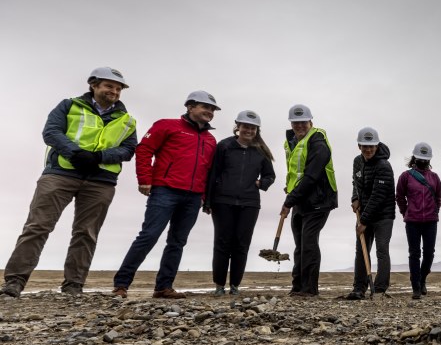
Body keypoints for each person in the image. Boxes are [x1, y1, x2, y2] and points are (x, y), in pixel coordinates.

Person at [1, 67, 137, 298]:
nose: (114, 91)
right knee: (38, 226)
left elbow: (128, 149)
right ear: (93, 85)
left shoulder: (127, 120)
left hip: (101, 181)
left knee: (86, 233)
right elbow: (51, 132)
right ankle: (14, 282)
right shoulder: (69, 105)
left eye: (118, 88)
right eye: (108, 86)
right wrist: (75, 153)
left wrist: (99, 157)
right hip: (60, 174)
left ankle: (73, 286)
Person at [112, 91, 219, 299]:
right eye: (205, 107)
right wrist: (144, 178)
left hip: (193, 196)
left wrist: (206, 197)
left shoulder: (210, 139)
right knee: (149, 236)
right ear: (190, 106)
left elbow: (207, 170)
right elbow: (144, 149)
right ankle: (121, 284)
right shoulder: (166, 125)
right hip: (165, 190)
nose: (209, 112)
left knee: (178, 242)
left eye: (213, 109)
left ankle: (163, 286)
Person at [204, 110, 276, 296]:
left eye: (252, 128)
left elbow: (270, 175)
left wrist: (262, 183)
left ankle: (235, 285)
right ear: (238, 126)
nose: (248, 130)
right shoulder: (224, 146)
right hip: (222, 201)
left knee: (241, 244)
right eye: (245, 126)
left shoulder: (261, 150)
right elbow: (213, 174)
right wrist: (208, 201)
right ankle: (219, 285)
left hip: (250, 204)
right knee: (222, 242)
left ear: (256, 129)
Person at [280, 104, 338, 297]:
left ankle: (309, 289)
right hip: (300, 199)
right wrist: (290, 190)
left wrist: (289, 199)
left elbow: (312, 176)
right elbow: (295, 172)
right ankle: (297, 286)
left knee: (309, 242)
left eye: (303, 122)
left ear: (310, 122)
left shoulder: (318, 141)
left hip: (318, 200)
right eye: (296, 123)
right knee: (300, 245)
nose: (299, 126)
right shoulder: (292, 141)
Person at [347, 127, 396, 299]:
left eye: (372, 146)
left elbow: (378, 196)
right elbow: (356, 182)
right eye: (365, 146)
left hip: (383, 215)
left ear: (377, 145)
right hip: (364, 212)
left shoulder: (384, 165)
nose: (368, 149)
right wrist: (355, 198)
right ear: (359, 146)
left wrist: (364, 221)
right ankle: (359, 288)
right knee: (361, 250)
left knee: (382, 250)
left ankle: (380, 289)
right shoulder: (357, 162)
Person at [395, 142, 441, 300]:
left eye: (426, 159)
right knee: (414, 253)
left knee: (429, 253)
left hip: (431, 221)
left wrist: (435, 211)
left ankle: (422, 279)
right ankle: (415, 286)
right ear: (415, 158)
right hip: (412, 221)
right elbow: (400, 197)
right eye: (420, 158)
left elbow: (438, 197)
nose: (423, 161)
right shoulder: (405, 176)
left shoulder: (435, 177)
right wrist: (405, 212)